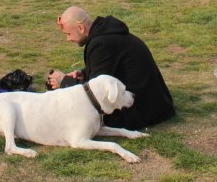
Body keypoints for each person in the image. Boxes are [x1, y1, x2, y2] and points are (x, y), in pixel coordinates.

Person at [47, 7, 175, 130]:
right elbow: (110, 67)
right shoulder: (107, 34)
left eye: (68, 34)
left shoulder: (101, 43)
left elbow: (95, 93)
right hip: (156, 104)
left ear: (80, 28)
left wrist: (64, 82)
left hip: (139, 109)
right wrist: (84, 73)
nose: (68, 39)